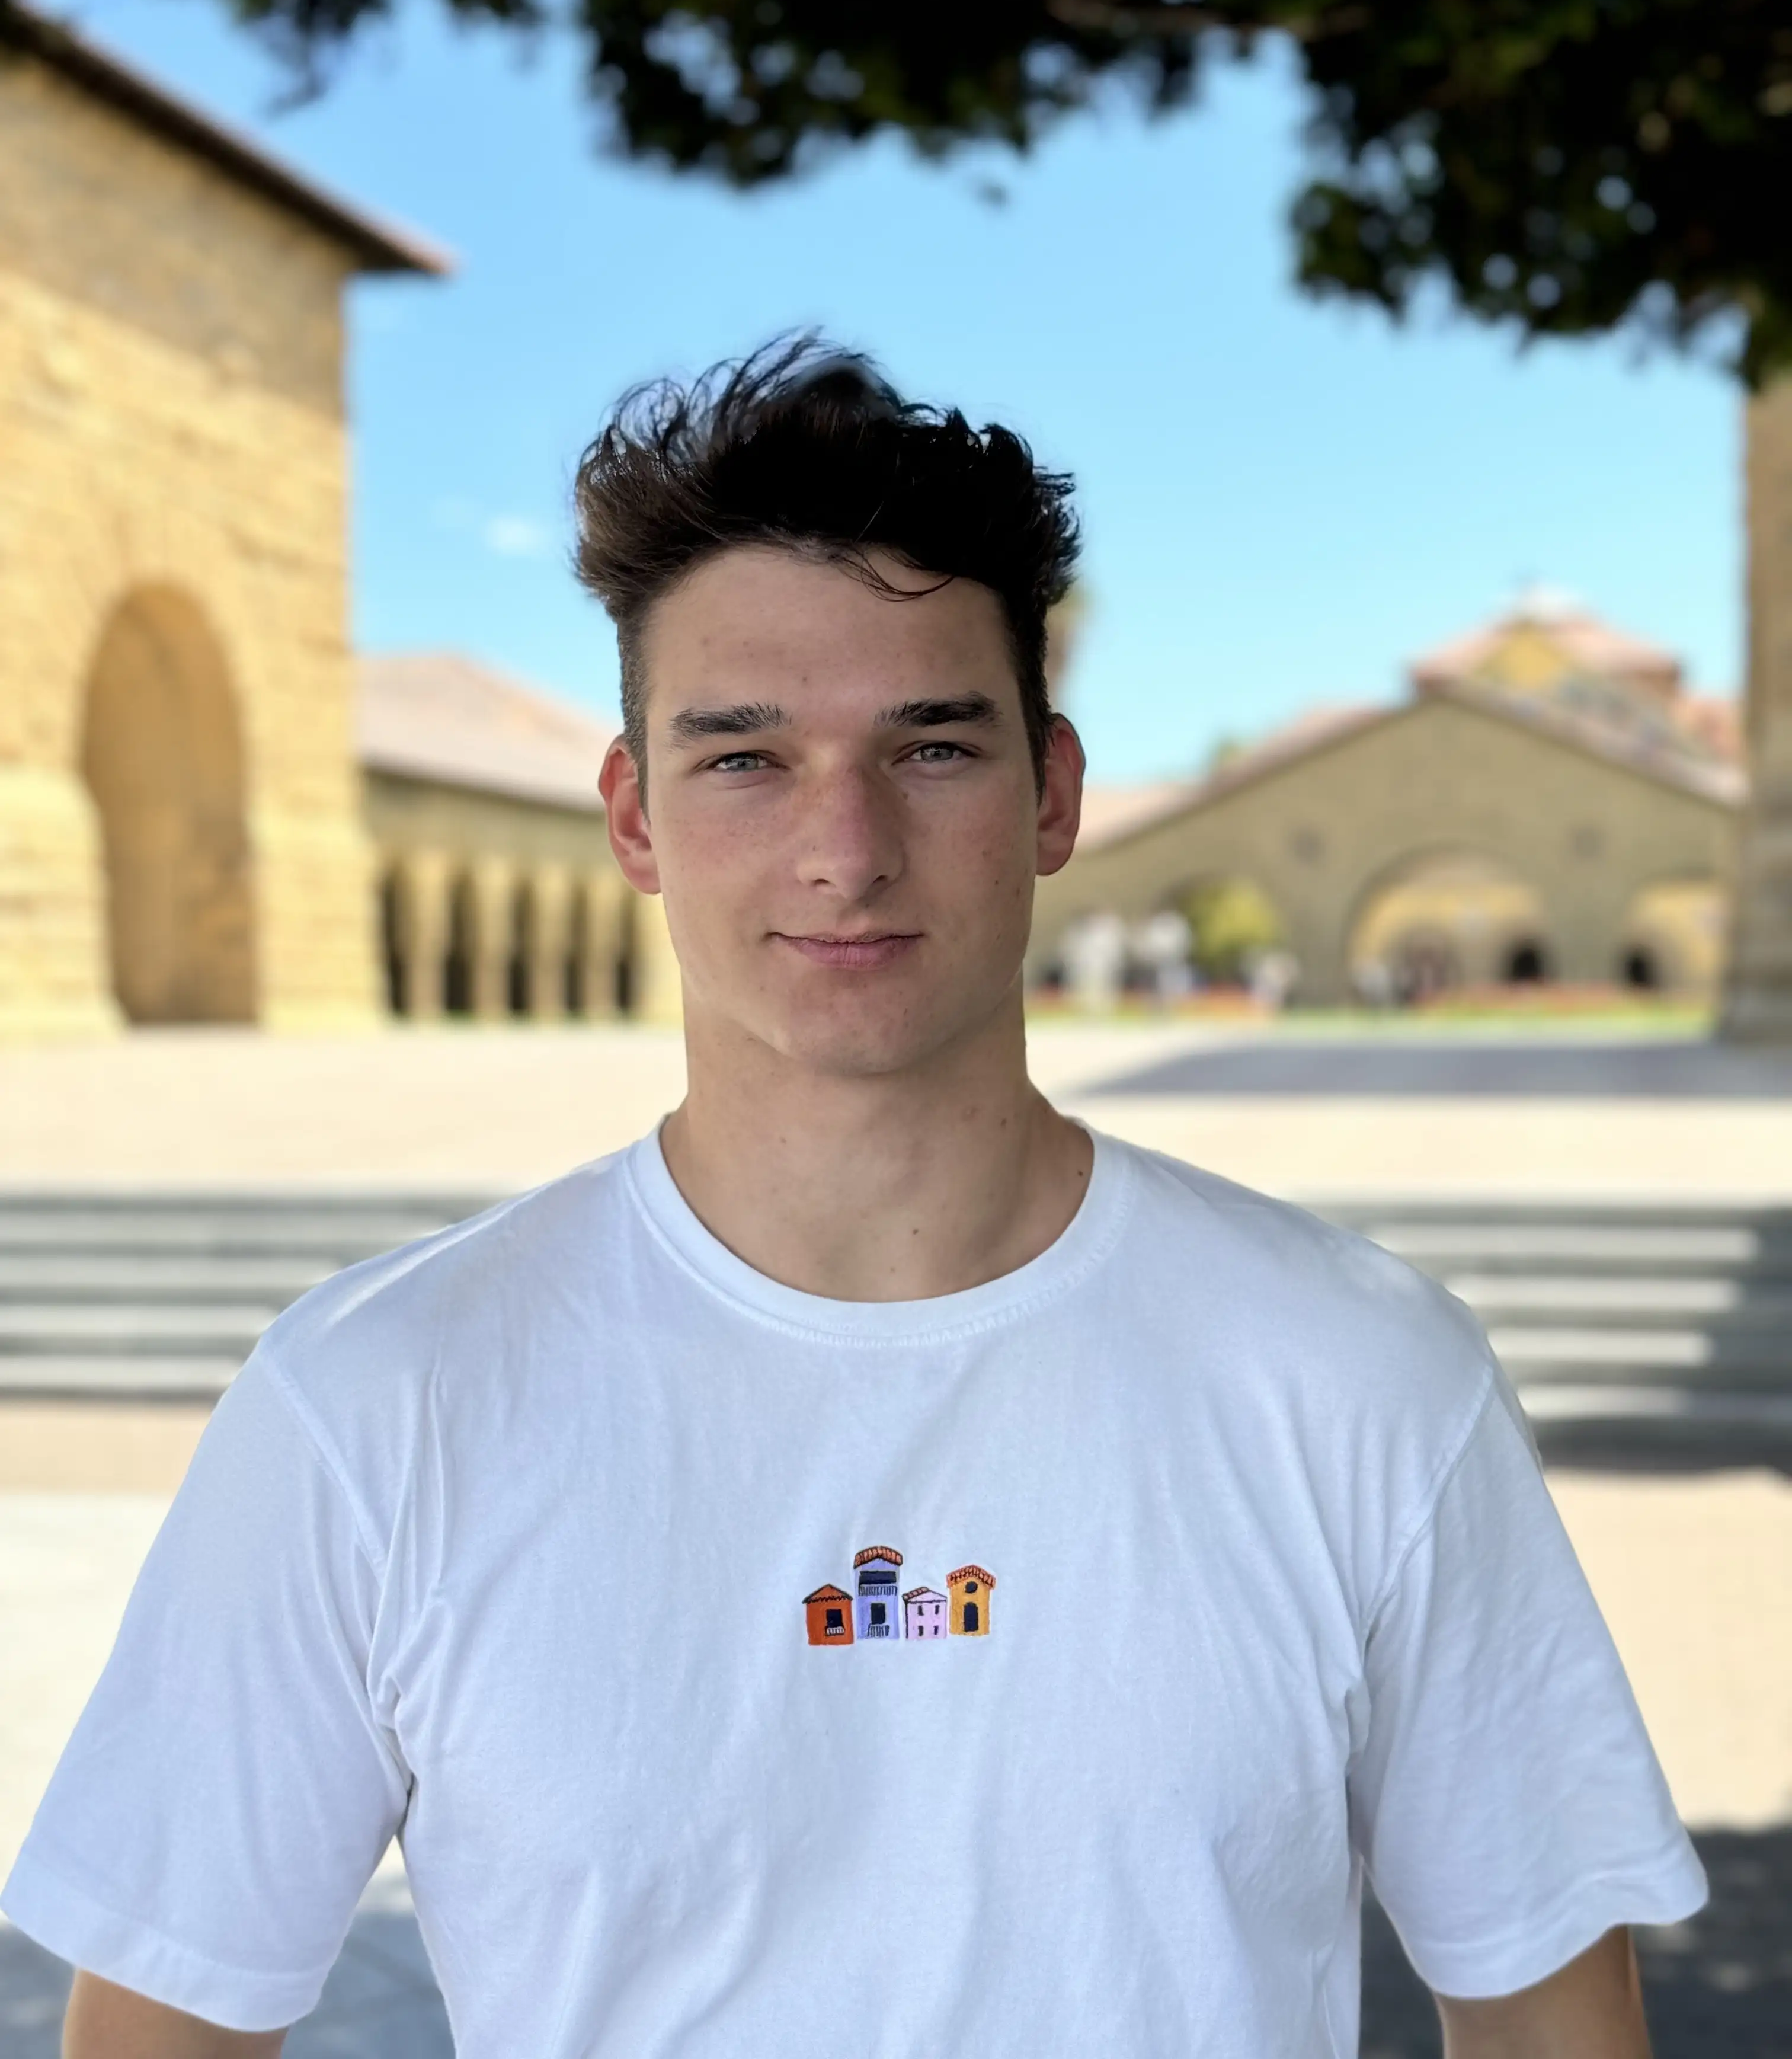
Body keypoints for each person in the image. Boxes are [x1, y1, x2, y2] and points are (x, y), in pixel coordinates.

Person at [8, 339, 1702, 2057]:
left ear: (1052, 793)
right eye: (745, 757)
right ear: (635, 815)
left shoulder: (1363, 1376)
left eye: (933, 748)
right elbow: (161, 2031)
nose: (845, 847)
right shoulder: (370, 1405)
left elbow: (1558, 2022)